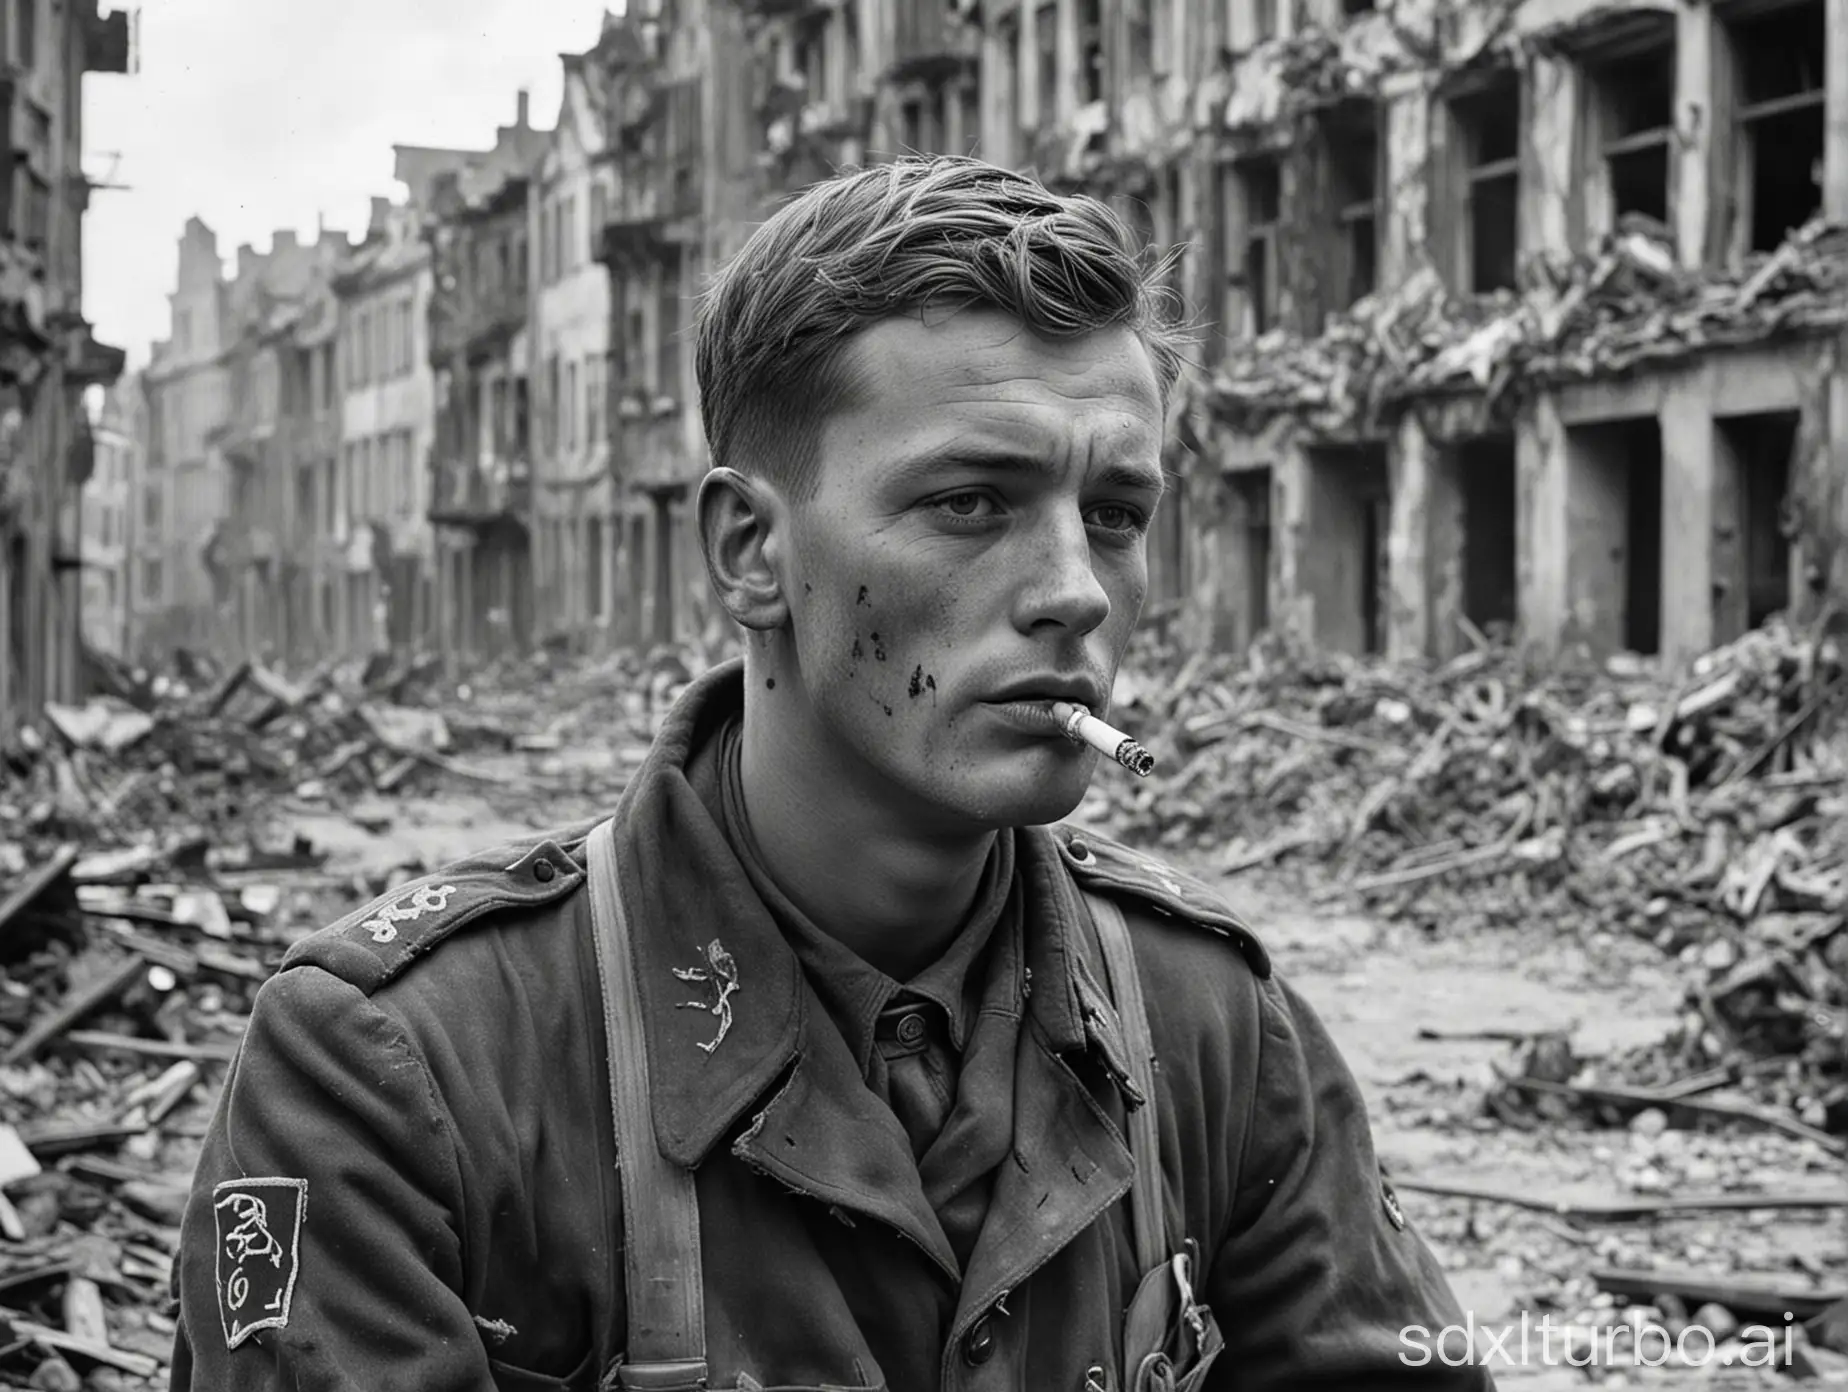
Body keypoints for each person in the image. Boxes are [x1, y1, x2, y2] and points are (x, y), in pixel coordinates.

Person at [170, 155, 1494, 1391]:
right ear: (752, 550)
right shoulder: (408, 1065)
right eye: (971, 503)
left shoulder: (1210, 1028)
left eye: (1116, 515)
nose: (1075, 593)